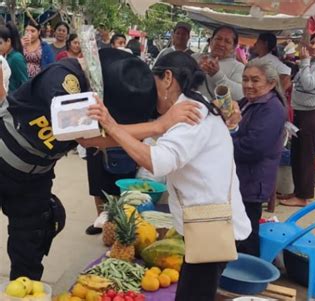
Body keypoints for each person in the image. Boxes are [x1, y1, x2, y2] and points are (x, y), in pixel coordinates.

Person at [0, 48, 201, 280]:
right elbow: (83, 136)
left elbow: (109, 135)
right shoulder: (65, 77)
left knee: (30, 249)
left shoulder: (108, 95)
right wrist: (159, 126)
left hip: (35, 179)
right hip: (3, 160)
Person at [88, 51, 251, 300]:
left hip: (211, 228)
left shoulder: (190, 116)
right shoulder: (189, 107)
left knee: (192, 295)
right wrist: (99, 136)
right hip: (208, 224)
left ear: (167, 78)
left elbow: (157, 161)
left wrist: (110, 124)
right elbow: (149, 133)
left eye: (151, 82)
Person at [233, 60, 287, 257]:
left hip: (253, 180)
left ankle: (249, 274)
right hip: (242, 178)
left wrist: (227, 138)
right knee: (238, 228)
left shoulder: (271, 109)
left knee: (247, 232)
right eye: (245, 79)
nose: (248, 85)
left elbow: (252, 147)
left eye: (255, 80)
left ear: (271, 83)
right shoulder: (249, 101)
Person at [280, 31, 315, 207]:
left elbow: (309, 83)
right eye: (312, 43)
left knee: (306, 156)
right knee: (297, 154)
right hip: (301, 112)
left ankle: (303, 196)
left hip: (312, 114)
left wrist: (304, 63)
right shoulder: (314, 62)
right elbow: (298, 81)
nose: (313, 47)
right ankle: (297, 192)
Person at [193, 25, 244, 101]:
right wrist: (195, 69)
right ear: (211, 41)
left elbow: (240, 95)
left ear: (234, 47)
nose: (221, 44)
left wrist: (217, 76)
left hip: (214, 111)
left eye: (227, 41)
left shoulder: (239, 67)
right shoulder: (195, 57)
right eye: (218, 39)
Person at [0, 22, 28, 92]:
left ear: (8, 41)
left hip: (13, 100)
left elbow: (24, 83)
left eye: (0, 43)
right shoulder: (6, 55)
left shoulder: (16, 58)